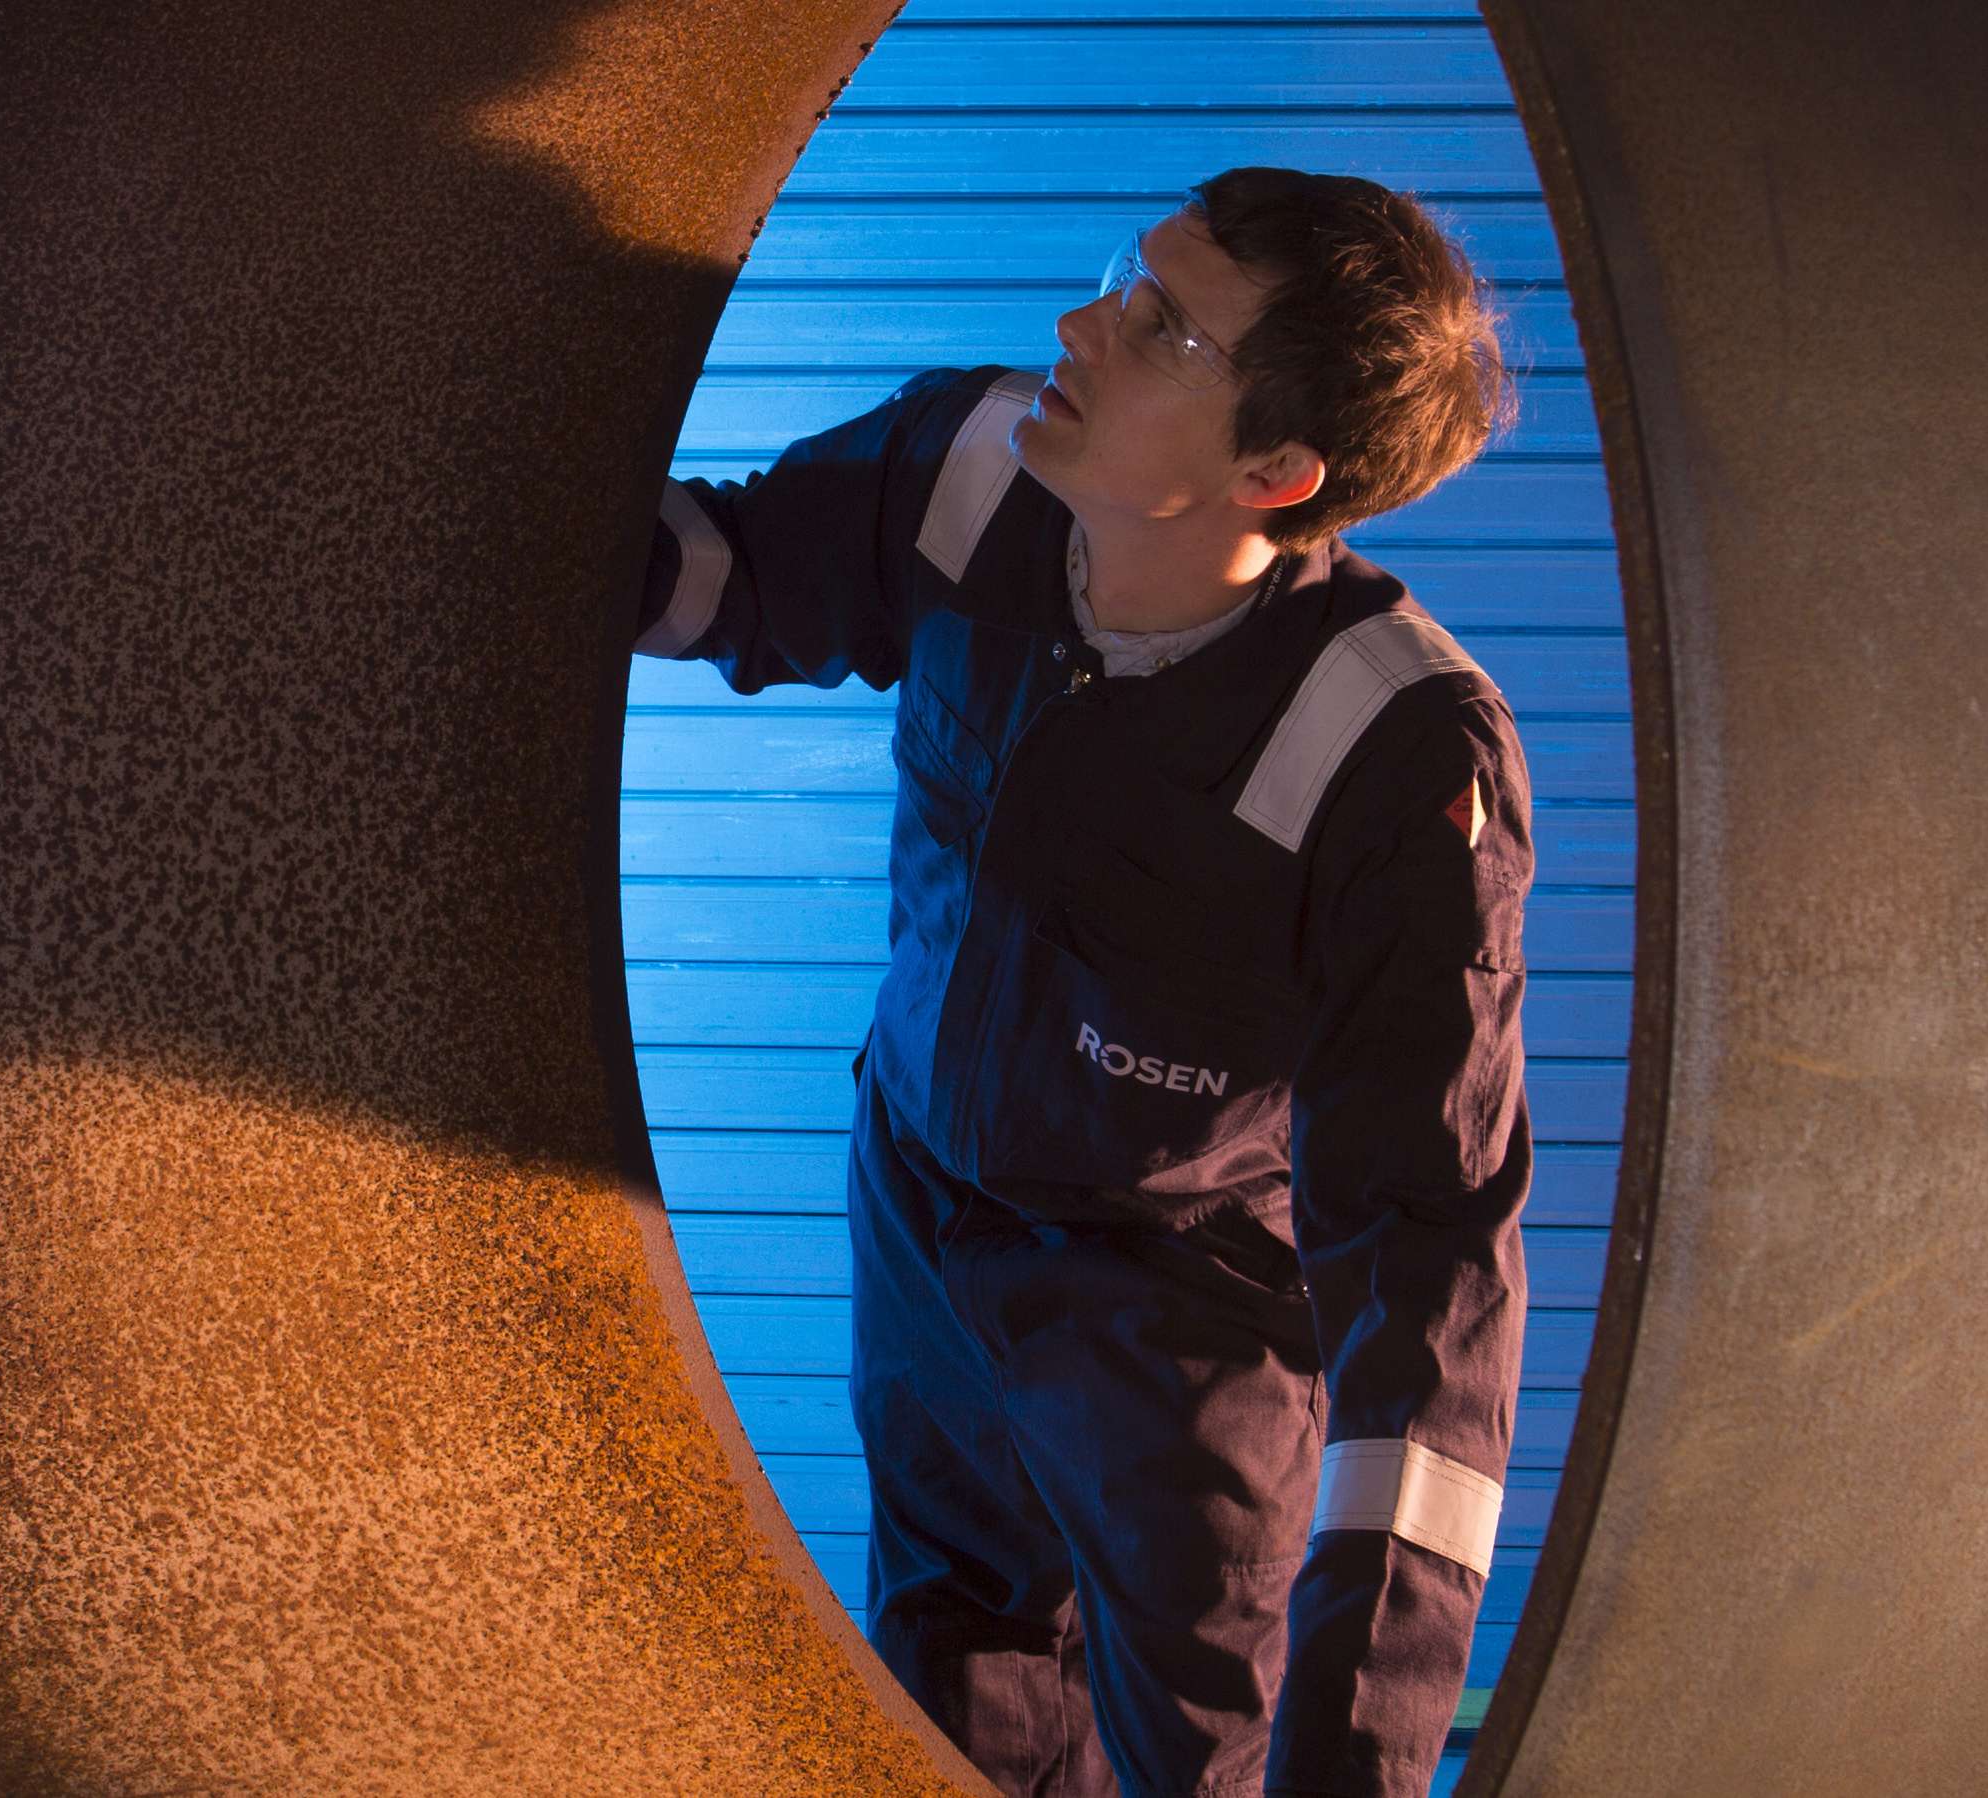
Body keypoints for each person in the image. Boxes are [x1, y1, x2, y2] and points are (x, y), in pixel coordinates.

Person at [629, 165, 1532, 1798]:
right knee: (954, 1677)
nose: (1079, 324)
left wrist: (1361, 1762)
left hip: (1173, 1307)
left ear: (1276, 470)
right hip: (920, 1206)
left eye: (1161, 325)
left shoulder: (1392, 756)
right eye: (1128, 276)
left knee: (1195, 1747)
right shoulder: (977, 468)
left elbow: (1432, 1269)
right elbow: (733, 569)